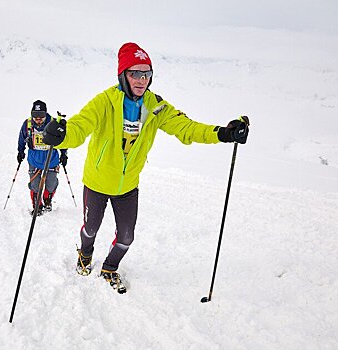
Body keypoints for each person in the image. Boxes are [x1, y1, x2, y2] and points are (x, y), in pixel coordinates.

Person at [42, 42, 250, 293]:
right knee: (90, 229)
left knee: (127, 237)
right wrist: (62, 134)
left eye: (146, 74)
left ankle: (110, 267)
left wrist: (223, 134)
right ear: (123, 75)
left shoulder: (156, 106)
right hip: (97, 182)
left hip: (128, 185)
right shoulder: (104, 101)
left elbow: (186, 127)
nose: (141, 80)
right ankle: (85, 254)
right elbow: (80, 125)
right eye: (135, 73)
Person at [17, 100, 68, 216]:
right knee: (35, 185)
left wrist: (64, 154)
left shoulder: (53, 124)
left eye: (41, 116)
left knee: (51, 184)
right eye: (35, 116)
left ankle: (47, 199)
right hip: (34, 160)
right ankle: (37, 205)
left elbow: (62, 140)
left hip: (51, 160)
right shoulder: (27, 124)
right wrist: (20, 152)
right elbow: (21, 138)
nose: (38, 119)